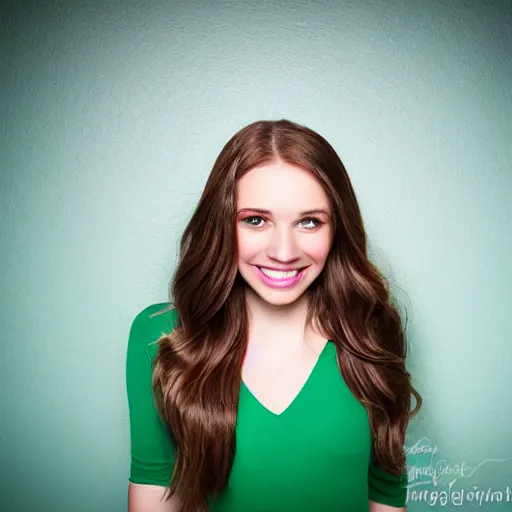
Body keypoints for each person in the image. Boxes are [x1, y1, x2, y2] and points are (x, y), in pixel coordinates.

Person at [126, 119, 422, 512]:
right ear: (222, 225)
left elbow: (386, 498)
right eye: (255, 220)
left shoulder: (370, 329)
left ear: (336, 230)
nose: (284, 251)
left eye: (309, 221)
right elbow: (154, 498)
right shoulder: (161, 336)